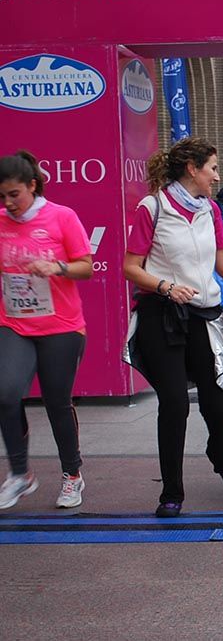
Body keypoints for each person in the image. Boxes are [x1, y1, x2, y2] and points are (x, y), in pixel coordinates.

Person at [123, 137, 223, 517]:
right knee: (174, 403)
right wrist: (166, 286)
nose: (217, 176)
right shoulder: (152, 207)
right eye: (212, 168)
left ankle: (222, 460)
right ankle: (171, 493)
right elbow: (130, 266)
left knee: (217, 405)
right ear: (192, 169)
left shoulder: (209, 210)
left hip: (204, 316)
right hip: (162, 315)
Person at [0, 151, 93, 510]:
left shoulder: (61, 217)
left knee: (57, 402)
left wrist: (56, 267)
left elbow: (85, 267)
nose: (9, 204)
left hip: (61, 326)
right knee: (6, 394)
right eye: (2, 197)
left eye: (14, 195)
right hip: (14, 323)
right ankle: (20, 475)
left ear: (32, 186)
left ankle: (72, 475)